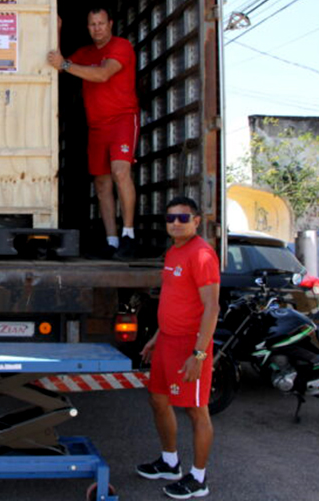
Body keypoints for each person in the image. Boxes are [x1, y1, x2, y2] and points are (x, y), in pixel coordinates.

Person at [136, 196, 220, 499]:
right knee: (158, 401)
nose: (175, 223)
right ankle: (170, 462)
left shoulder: (202, 255)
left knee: (197, 412)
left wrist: (198, 354)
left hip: (190, 345)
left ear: (196, 221)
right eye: (170, 218)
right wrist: (157, 337)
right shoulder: (173, 252)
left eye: (183, 218)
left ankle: (198, 478)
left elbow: (211, 307)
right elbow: (175, 300)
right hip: (167, 342)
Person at [47, 8, 139, 259]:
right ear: (87, 28)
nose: (97, 28)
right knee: (101, 183)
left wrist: (65, 63)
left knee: (121, 172)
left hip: (122, 119)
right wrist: (56, 30)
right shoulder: (85, 53)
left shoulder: (121, 46)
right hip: (97, 125)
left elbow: (102, 74)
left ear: (110, 24)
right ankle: (111, 240)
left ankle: (128, 236)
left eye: (101, 23)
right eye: (92, 24)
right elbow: (59, 64)